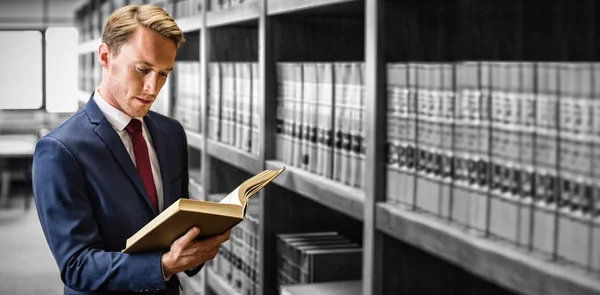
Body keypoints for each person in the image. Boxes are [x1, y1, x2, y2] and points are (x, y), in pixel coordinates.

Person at [32, 4, 229, 295]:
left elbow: (175, 219)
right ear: (105, 57)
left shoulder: (172, 133)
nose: (153, 87)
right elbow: (76, 265)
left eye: (163, 74)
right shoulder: (60, 150)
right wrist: (162, 265)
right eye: (143, 69)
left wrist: (197, 245)